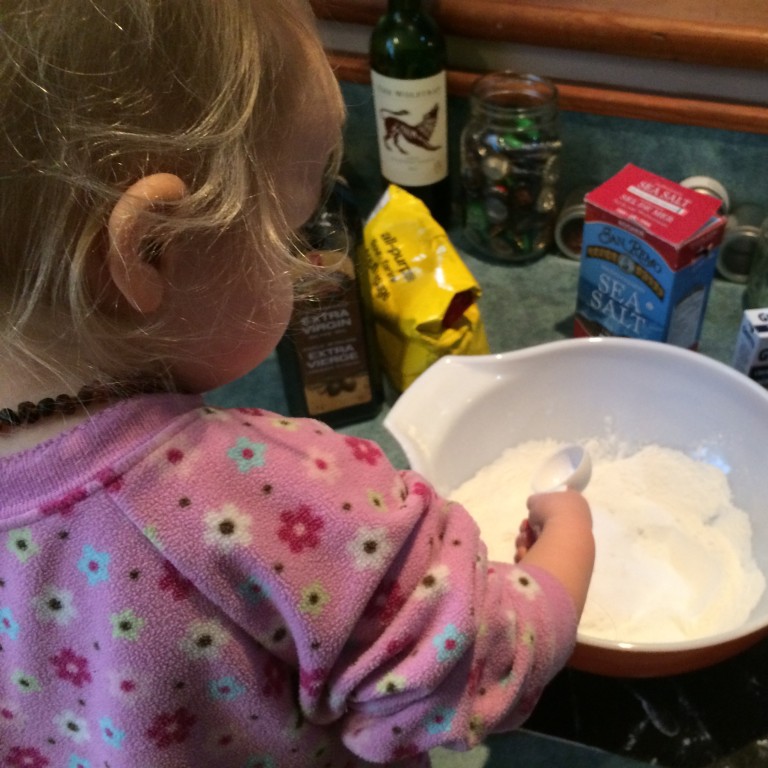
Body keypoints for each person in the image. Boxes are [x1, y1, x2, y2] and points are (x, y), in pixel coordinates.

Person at [0, 1, 595, 766]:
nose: (309, 262)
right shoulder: (257, 498)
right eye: (293, 230)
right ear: (152, 248)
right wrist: (567, 539)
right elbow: (484, 659)